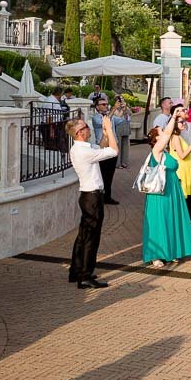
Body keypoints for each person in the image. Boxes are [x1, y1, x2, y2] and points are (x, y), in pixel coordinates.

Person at [66, 110, 119, 288]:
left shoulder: (82, 148)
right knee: (91, 238)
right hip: (92, 198)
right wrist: (110, 130)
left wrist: (105, 135)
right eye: (86, 127)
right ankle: (85, 275)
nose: (88, 129)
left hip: (88, 196)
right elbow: (113, 151)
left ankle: (76, 271)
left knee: (83, 236)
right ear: (80, 133)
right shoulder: (82, 152)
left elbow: (101, 147)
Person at [141, 109, 191, 267]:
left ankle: (172, 250)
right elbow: (168, 133)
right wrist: (174, 116)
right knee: (160, 221)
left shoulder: (165, 152)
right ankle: (156, 255)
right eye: (161, 131)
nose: (165, 131)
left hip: (173, 189)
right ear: (156, 139)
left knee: (172, 219)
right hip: (160, 192)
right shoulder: (156, 151)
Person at [169, 114, 191, 228]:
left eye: (184, 121)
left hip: (187, 169)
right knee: (184, 199)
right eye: (181, 122)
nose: (184, 123)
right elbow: (182, 155)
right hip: (181, 171)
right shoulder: (175, 137)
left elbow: (189, 152)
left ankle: (189, 221)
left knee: (189, 198)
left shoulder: (180, 136)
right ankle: (184, 224)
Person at [90, 98, 119, 205]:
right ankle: (99, 197)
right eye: (103, 104)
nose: (106, 106)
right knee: (101, 174)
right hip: (102, 148)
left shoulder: (112, 116)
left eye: (107, 104)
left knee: (110, 174)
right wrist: (114, 109)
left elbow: (124, 120)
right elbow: (104, 123)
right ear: (97, 107)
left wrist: (124, 109)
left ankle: (107, 197)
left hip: (112, 148)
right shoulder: (95, 118)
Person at [111, 95, 132, 169]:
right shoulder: (114, 109)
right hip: (118, 129)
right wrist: (122, 110)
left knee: (125, 146)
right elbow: (118, 116)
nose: (122, 101)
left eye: (122, 100)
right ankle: (118, 163)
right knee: (118, 146)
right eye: (120, 100)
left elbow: (129, 115)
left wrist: (125, 108)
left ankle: (124, 162)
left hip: (126, 128)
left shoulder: (126, 108)